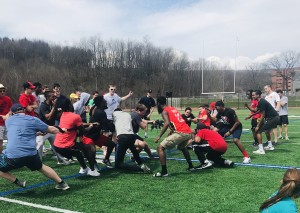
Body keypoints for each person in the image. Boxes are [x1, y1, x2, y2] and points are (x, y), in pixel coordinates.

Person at [0, 103, 69, 190]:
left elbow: (16, 128)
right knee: (41, 167)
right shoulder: (33, 119)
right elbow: (51, 129)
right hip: (31, 155)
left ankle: (18, 182)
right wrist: (61, 130)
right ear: (24, 110)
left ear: (13, 113)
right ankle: (62, 183)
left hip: (13, 156)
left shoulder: (8, 121)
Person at [53, 98, 96, 176]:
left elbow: (72, 128)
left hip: (56, 146)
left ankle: (84, 169)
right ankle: (92, 170)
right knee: (89, 148)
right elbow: (83, 131)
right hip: (65, 146)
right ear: (69, 105)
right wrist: (91, 126)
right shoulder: (75, 116)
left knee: (78, 153)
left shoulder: (62, 115)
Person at [154, 96, 195, 177]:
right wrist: (172, 131)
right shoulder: (172, 108)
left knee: (160, 148)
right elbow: (175, 121)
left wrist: (159, 136)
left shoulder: (164, 111)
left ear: (158, 103)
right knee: (182, 147)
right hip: (189, 132)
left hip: (181, 133)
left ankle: (164, 172)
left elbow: (167, 123)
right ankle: (191, 166)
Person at [82, 95, 115, 173]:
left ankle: (106, 159)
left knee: (111, 144)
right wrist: (115, 127)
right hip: (89, 136)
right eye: (104, 101)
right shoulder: (101, 112)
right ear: (100, 103)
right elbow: (107, 124)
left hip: (95, 135)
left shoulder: (94, 107)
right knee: (92, 151)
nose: (106, 102)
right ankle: (93, 164)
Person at [112, 108, 151, 173]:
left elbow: (111, 125)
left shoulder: (114, 114)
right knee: (134, 150)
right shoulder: (127, 114)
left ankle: (138, 168)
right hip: (131, 135)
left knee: (118, 164)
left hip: (122, 137)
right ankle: (141, 164)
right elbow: (132, 123)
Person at [37, 91, 68, 165]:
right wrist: (54, 107)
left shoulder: (53, 105)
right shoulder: (43, 106)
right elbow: (48, 117)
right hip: (43, 129)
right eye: (52, 96)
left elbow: (57, 116)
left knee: (56, 145)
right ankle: (38, 162)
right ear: (47, 97)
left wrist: (60, 112)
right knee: (39, 145)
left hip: (52, 128)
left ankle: (61, 160)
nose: (54, 98)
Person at [250, 90, 280, 155]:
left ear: (258, 95)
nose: (252, 96)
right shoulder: (261, 101)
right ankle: (270, 146)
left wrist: (258, 126)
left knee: (258, 131)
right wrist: (251, 115)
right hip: (274, 117)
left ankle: (261, 150)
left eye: (253, 95)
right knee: (266, 130)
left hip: (273, 118)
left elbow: (262, 115)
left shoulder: (261, 102)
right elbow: (257, 111)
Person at [0, 84, 13, 154]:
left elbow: (11, 109)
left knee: (11, 140)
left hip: (7, 123)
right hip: (0, 124)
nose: (2, 92)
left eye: (3, 91)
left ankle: (9, 155)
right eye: (0, 91)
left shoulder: (8, 99)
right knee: (0, 141)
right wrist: (2, 116)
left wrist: (8, 114)